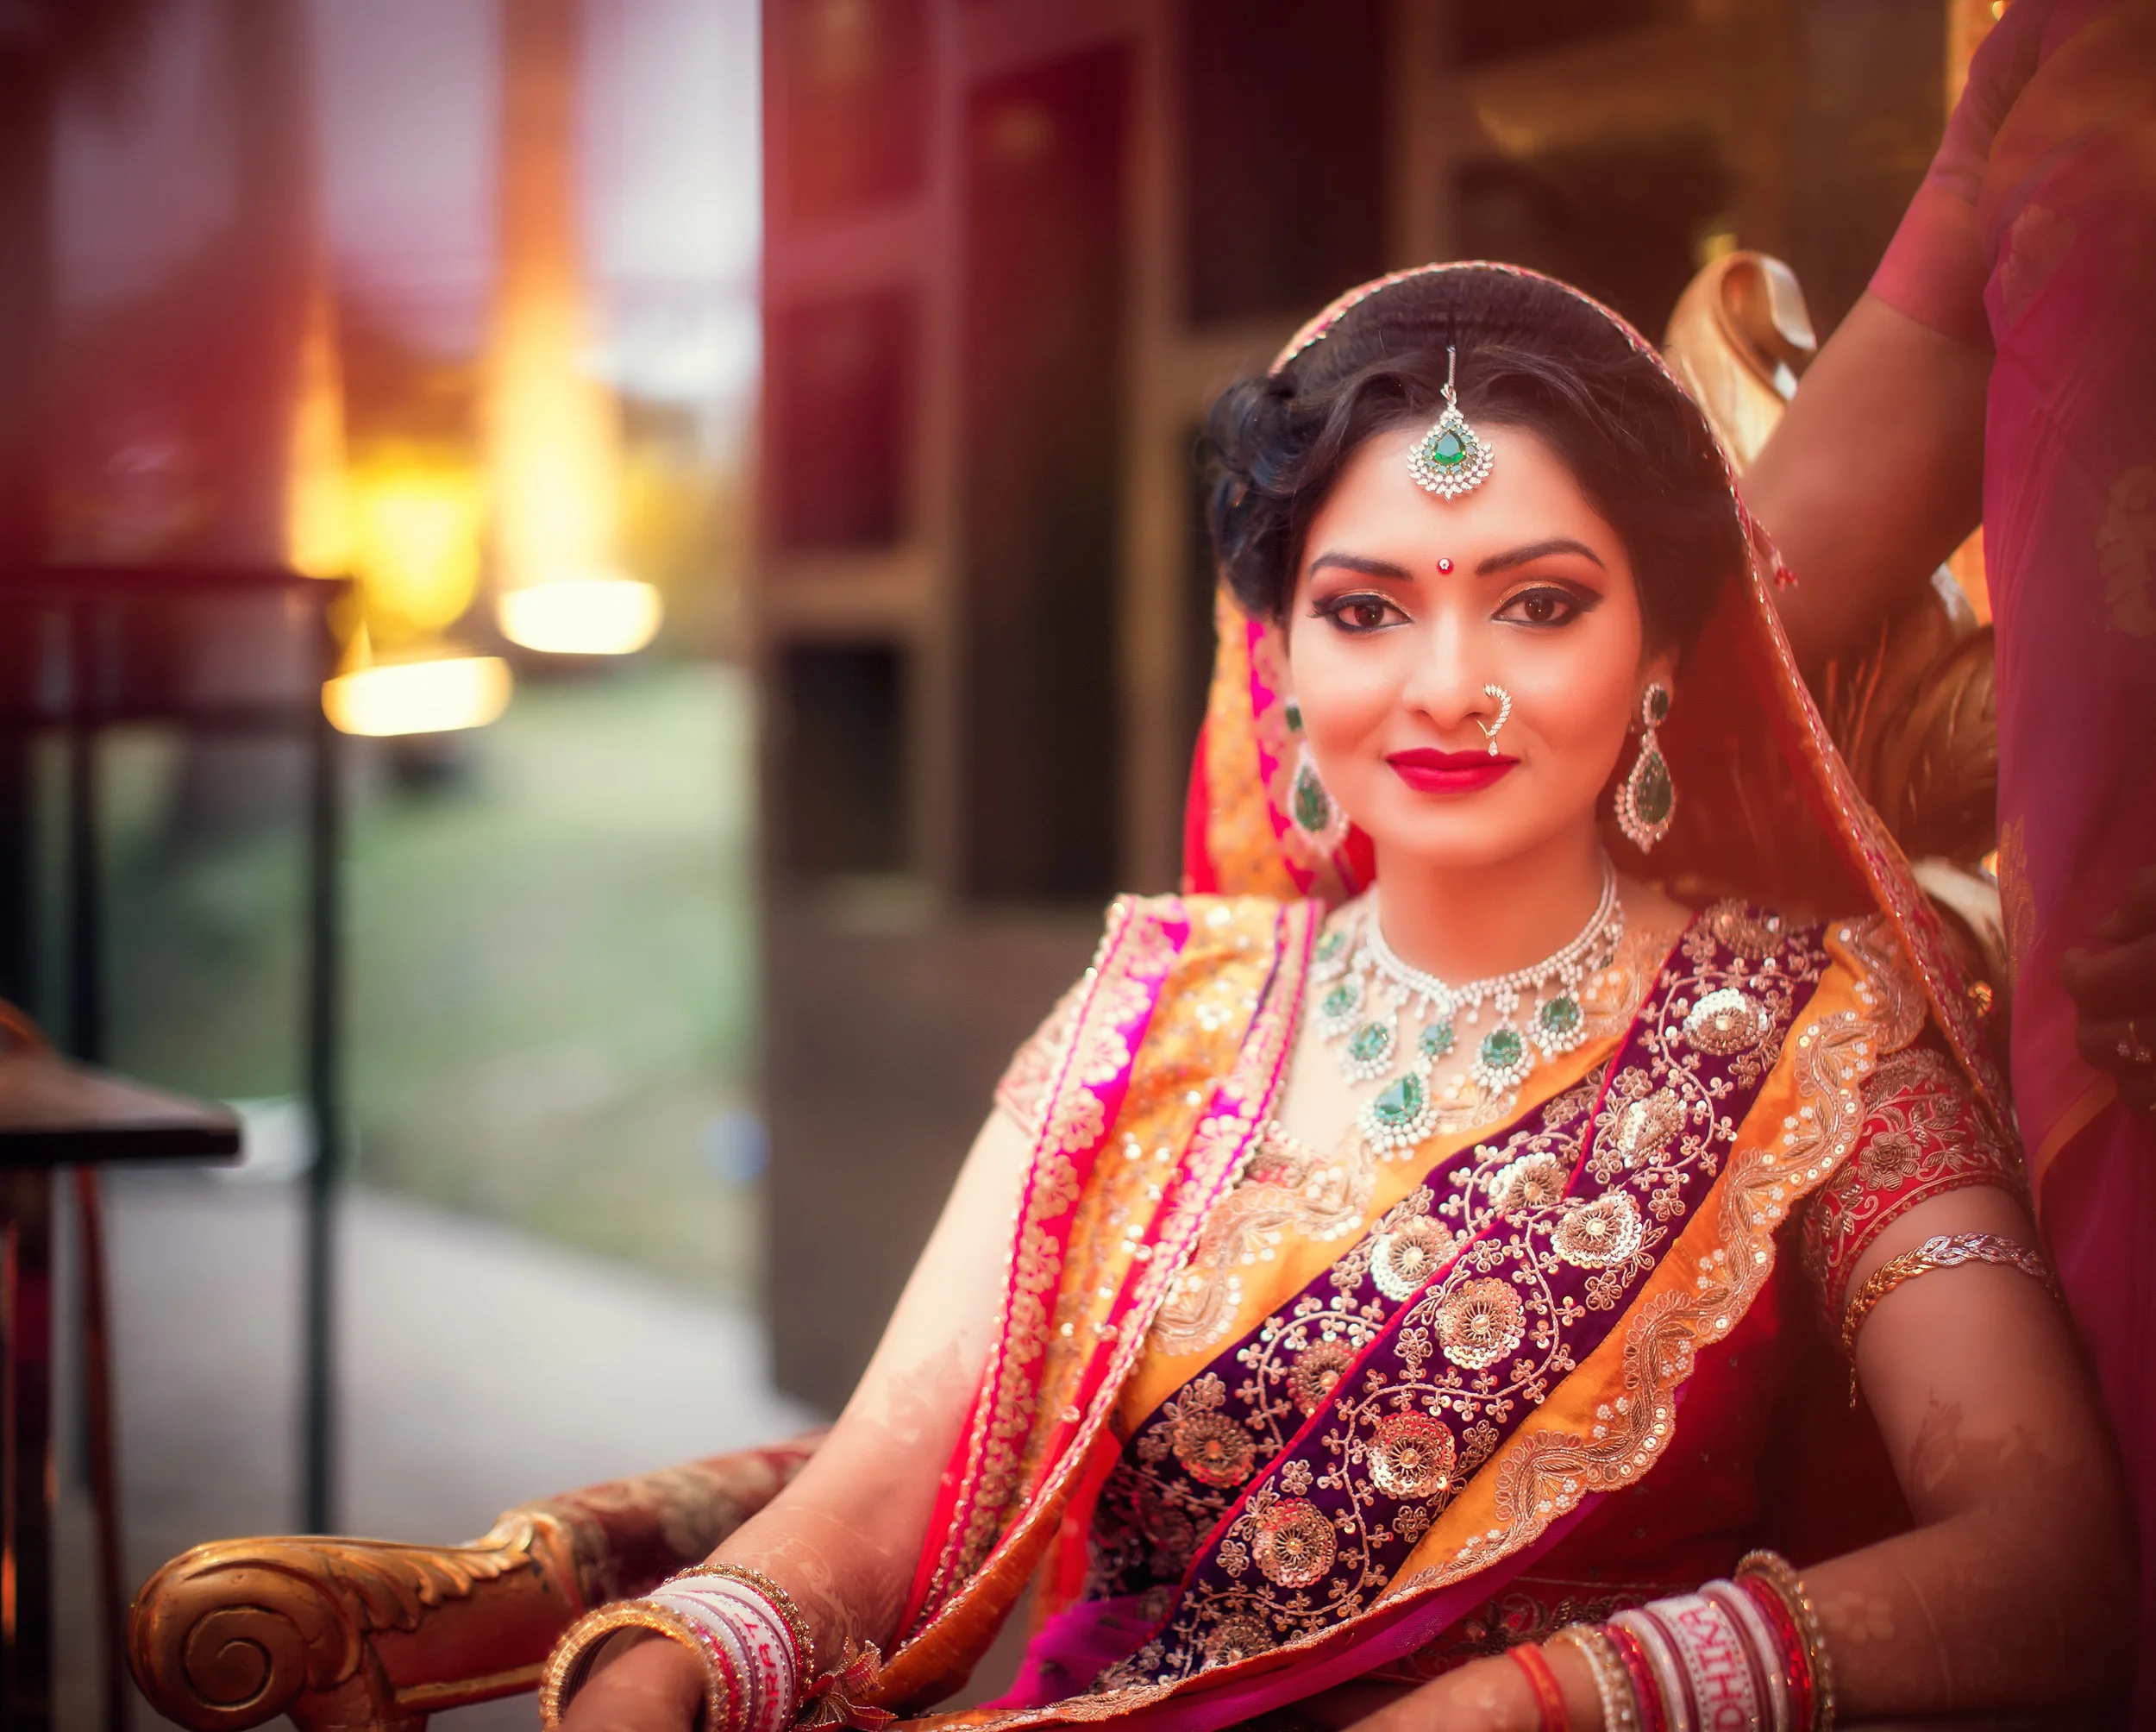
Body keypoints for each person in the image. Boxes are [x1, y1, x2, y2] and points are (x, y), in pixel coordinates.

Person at [545, 267, 2131, 1732]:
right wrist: (680, 1661)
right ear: (1285, 658)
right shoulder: (1156, 1009)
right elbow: (888, 1481)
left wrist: (1535, 1704)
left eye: (1540, 603)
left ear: (1661, 650)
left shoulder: (1815, 1036)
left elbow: (2053, 1568)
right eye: (1366, 610)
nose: (1446, 687)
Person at [1739, 0, 2156, 1708]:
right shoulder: (2062, 40)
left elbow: (2021, 1559)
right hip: (2111, 1036)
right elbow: (1769, 563)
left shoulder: (1837, 1060)